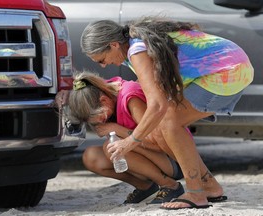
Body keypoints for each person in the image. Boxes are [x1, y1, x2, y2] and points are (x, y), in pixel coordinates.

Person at [80, 16, 254, 210]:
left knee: (169, 121)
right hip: (233, 65)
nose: (103, 66)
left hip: (228, 70)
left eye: (102, 60)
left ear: (113, 45)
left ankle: (196, 193)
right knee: (166, 121)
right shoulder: (137, 45)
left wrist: (130, 141)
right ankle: (209, 186)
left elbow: (157, 106)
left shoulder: (137, 50)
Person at [65, 70, 186, 204]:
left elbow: (157, 143)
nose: (99, 122)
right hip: (150, 157)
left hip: (174, 159)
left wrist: (117, 130)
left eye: (98, 118)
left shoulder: (130, 97)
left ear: (104, 100)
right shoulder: (101, 91)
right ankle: (144, 186)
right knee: (91, 156)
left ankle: (169, 185)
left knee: (111, 147)